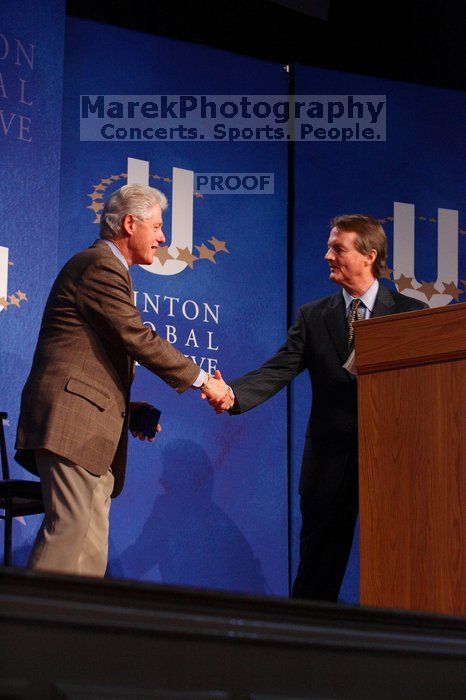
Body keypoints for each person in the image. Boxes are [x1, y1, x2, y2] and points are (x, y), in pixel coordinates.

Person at [15, 184, 233, 577]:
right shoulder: (98, 265)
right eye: (158, 226)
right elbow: (136, 336)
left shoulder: (112, 271)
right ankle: (31, 632)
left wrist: (124, 411)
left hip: (92, 431)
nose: (164, 237)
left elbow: (89, 358)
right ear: (130, 223)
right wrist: (204, 380)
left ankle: (79, 638)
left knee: (90, 551)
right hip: (71, 424)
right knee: (69, 534)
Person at [211, 215, 427, 602]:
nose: (327, 255)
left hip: (396, 460)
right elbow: (281, 367)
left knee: (403, 567)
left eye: (338, 248)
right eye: (329, 247)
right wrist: (233, 393)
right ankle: (302, 652)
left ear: (368, 256)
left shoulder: (411, 313)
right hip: (329, 461)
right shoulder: (314, 316)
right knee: (317, 572)